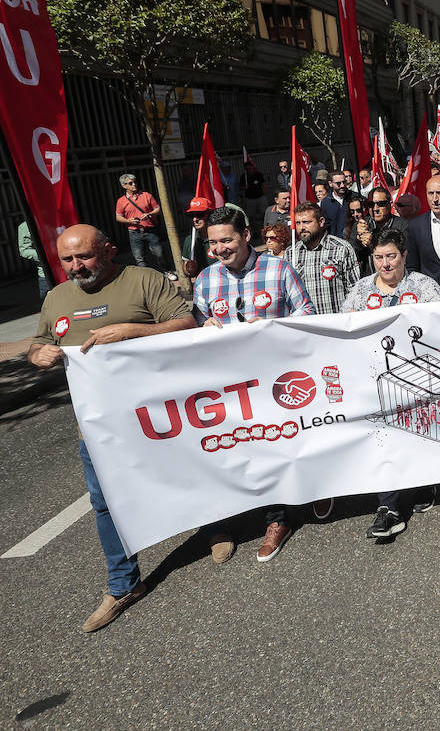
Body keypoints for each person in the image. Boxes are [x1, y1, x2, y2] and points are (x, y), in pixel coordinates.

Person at [27, 224, 195, 632]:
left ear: (108, 250)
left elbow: (187, 324)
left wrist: (131, 331)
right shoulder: (57, 297)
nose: (74, 266)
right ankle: (123, 584)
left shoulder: (143, 280)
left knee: (192, 476)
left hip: (161, 416)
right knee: (104, 503)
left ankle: (215, 529)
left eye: (82, 257)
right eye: (66, 259)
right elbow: (36, 343)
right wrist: (39, 354)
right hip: (98, 426)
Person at [193, 207, 314, 562]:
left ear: (246, 236)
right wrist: (203, 328)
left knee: (275, 444)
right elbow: (198, 322)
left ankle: (278, 519)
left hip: (275, 379)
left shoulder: (278, 269)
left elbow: (305, 311)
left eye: (227, 239)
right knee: (236, 448)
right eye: (214, 243)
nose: (220, 248)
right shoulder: (205, 279)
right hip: (228, 384)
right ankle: (235, 519)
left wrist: (270, 332)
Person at [341, 227, 440, 539]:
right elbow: (343, 327)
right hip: (375, 379)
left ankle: (422, 483)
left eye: (391, 257)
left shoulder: (424, 285)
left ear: (404, 257)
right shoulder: (361, 291)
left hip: (418, 378)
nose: (385, 264)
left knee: (417, 435)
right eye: (378, 257)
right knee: (383, 440)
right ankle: (388, 509)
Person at [286, 202, 360, 316]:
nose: (301, 228)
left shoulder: (341, 248)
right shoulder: (291, 253)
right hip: (305, 326)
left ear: (321, 222)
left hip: (336, 324)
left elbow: (354, 289)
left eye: (306, 222)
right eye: (298, 223)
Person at [114, 173, 170, 276]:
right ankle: (146, 278)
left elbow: (157, 209)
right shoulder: (121, 201)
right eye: (130, 183)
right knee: (139, 258)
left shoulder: (146, 195)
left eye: (135, 181)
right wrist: (129, 221)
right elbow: (118, 217)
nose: (134, 184)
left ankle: (166, 271)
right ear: (124, 186)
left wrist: (149, 215)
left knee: (159, 254)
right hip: (134, 232)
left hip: (150, 230)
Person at [181, 196, 217, 277]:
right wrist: (188, 269)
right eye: (191, 215)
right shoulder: (189, 240)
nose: (194, 219)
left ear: (210, 215)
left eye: (199, 214)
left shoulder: (219, 238)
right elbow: (186, 270)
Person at [18, 220, 51, 298]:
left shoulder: (55, 218)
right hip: (45, 274)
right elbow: (24, 251)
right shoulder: (25, 226)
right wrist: (45, 255)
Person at [241, 156, 267, 226]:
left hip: (260, 197)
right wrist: (245, 187)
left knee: (264, 213)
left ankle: (265, 225)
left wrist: (264, 195)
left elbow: (263, 185)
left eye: (250, 168)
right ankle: (254, 229)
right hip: (250, 199)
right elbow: (241, 187)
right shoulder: (244, 177)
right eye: (247, 169)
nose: (249, 170)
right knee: (251, 215)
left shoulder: (259, 175)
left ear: (253, 168)